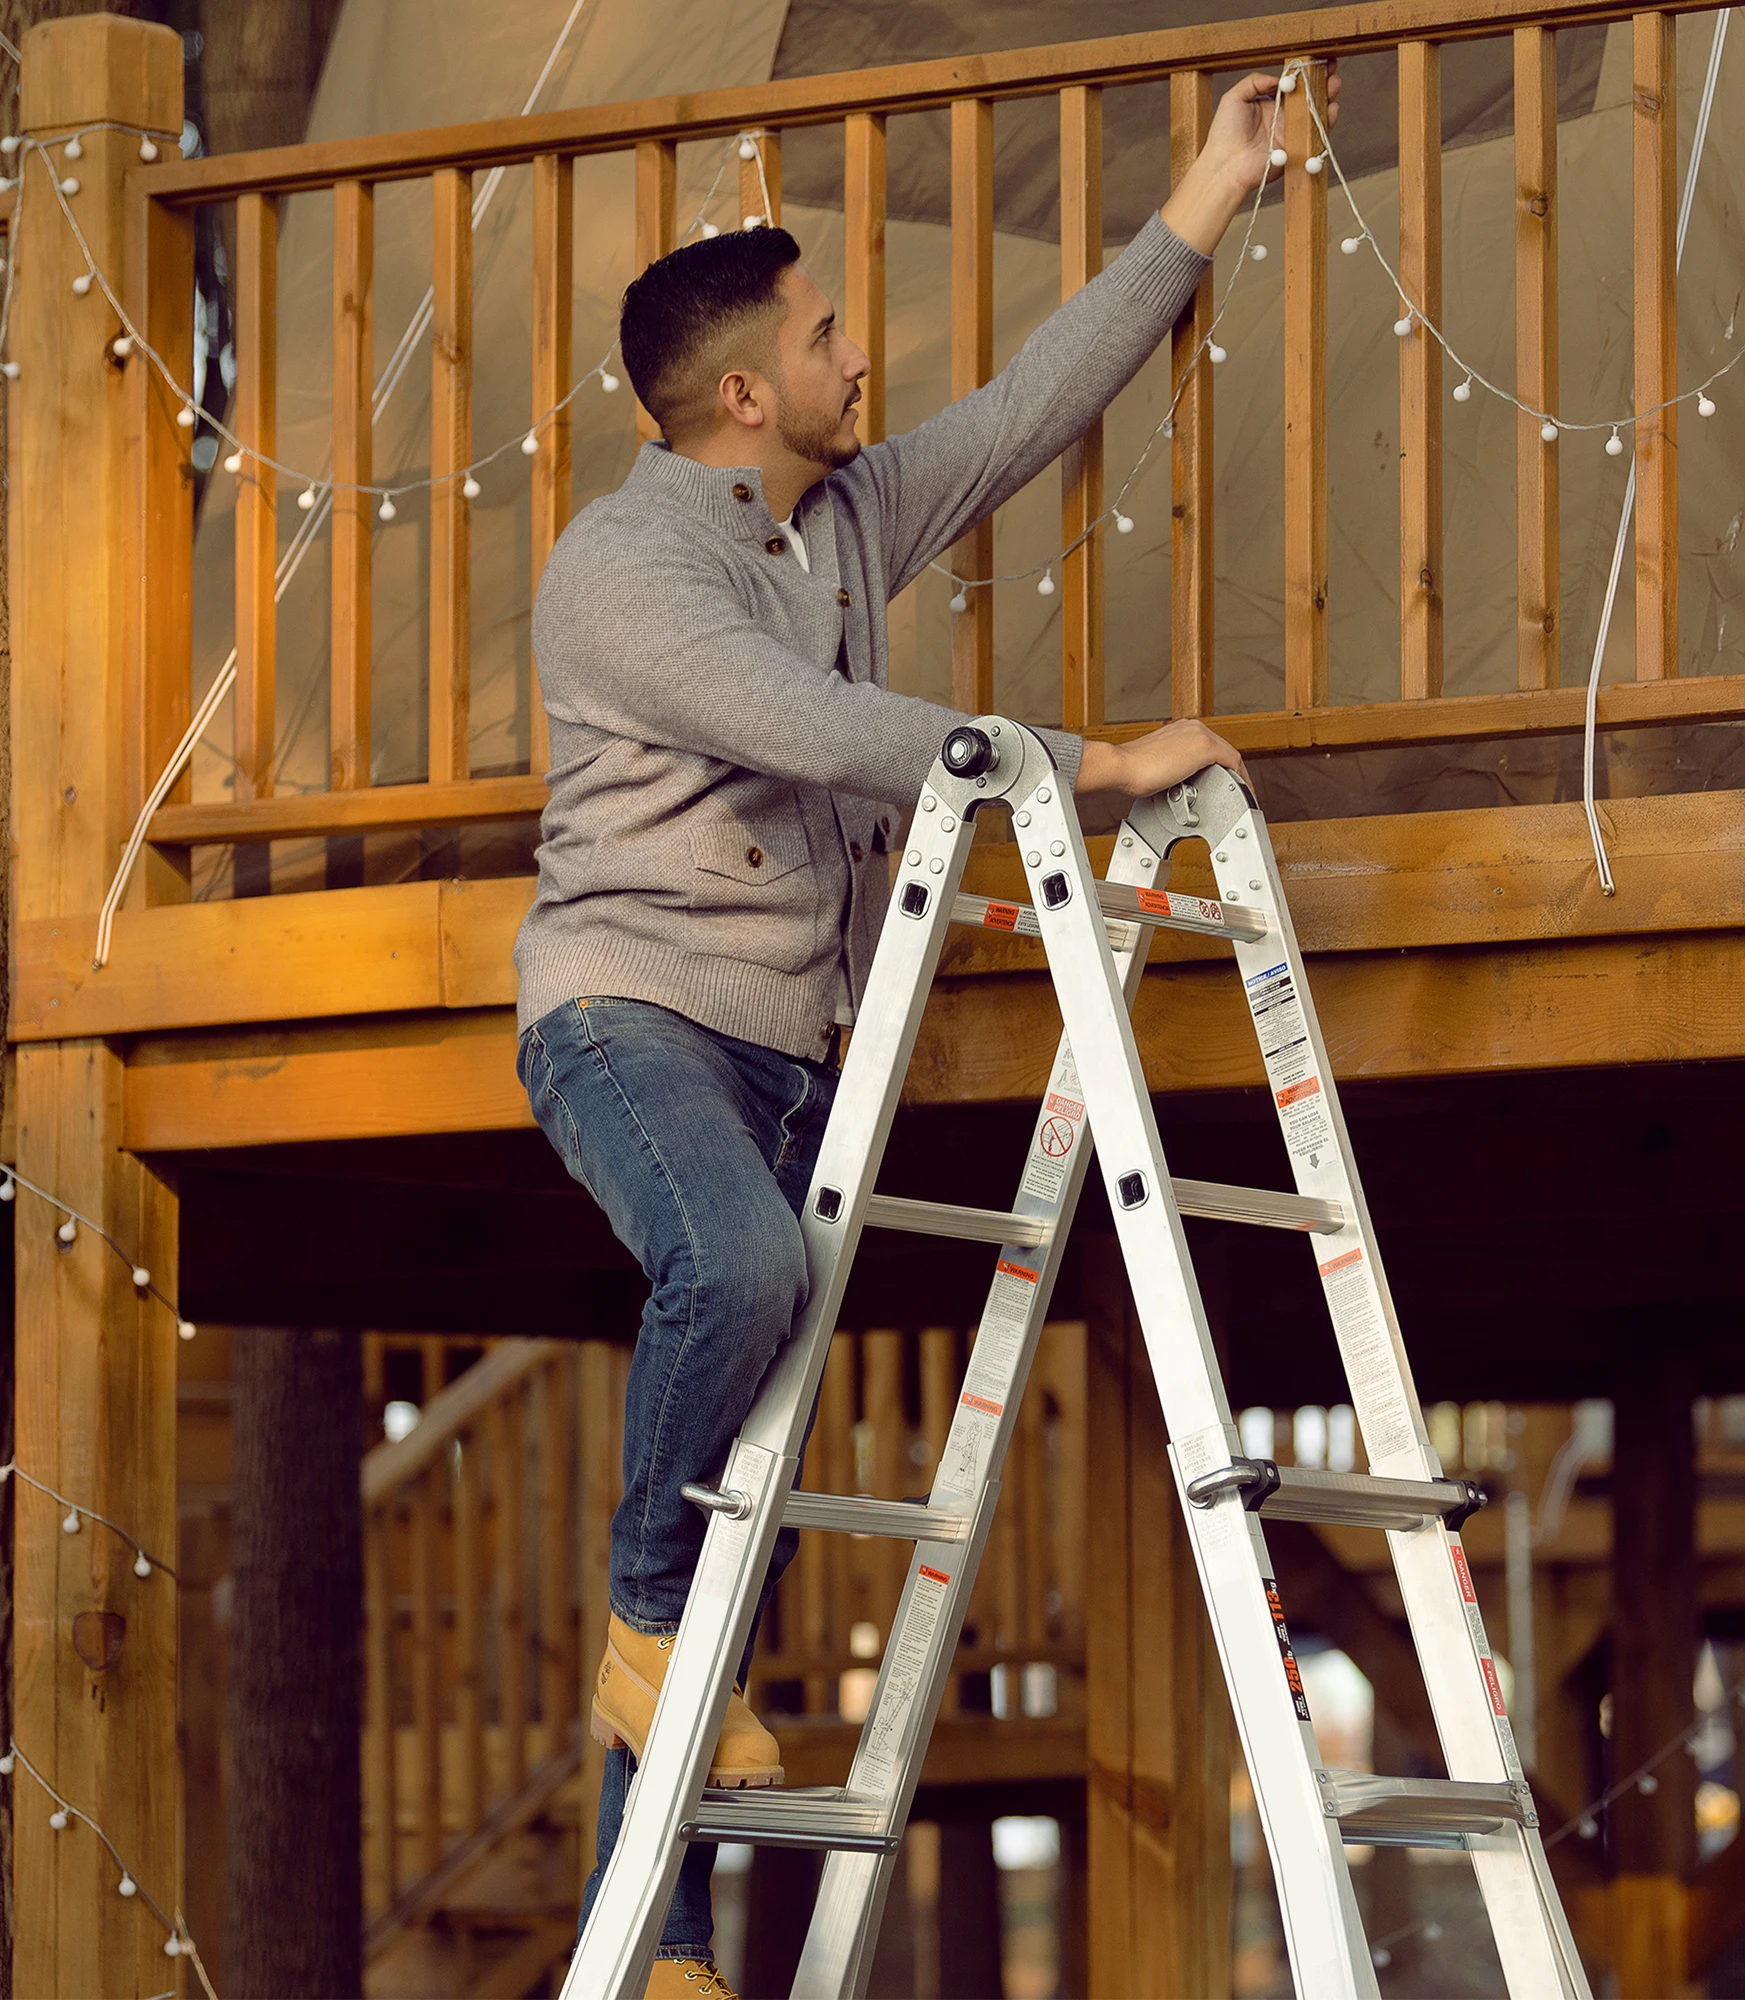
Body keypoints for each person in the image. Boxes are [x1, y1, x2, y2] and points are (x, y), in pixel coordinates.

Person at [515, 62, 1336, 1996]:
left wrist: (1204, 199)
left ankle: (662, 1953)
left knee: (757, 1510)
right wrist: (1093, 765)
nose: (853, 355)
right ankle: (637, 1622)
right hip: (630, 1017)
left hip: (792, 1042)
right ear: (742, 396)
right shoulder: (627, 569)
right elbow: (814, 730)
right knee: (724, 1270)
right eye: (822, 334)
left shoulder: (845, 518)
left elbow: (1029, 409)